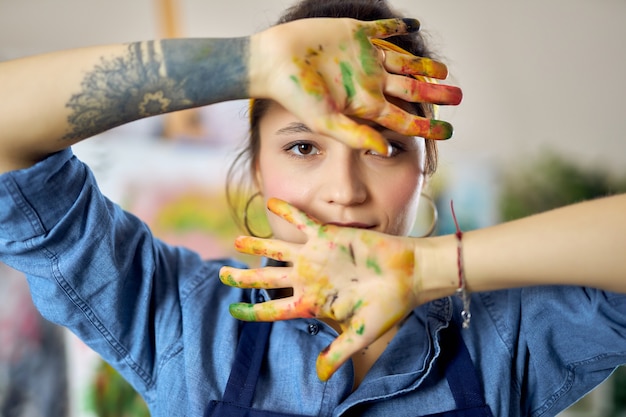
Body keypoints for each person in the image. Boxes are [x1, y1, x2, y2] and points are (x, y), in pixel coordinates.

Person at [0, 0, 624, 416]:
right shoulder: (179, 319)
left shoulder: (506, 339)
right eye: (303, 146)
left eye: (384, 148)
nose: (344, 190)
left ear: (423, 168)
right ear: (255, 164)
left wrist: (433, 267)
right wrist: (253, 63)